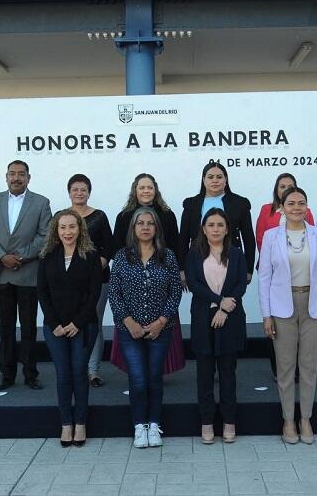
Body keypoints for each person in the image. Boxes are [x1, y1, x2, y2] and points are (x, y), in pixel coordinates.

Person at [258, 187, 317, 445]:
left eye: (301, 203)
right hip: (282, 307)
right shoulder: (271, 237)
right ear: (282, 206)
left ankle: (306, 419)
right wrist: (266, 314)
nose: (296, 208)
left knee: (310, 366)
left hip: (313, 305)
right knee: (286, 367)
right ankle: (288, 420)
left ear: (307, 206)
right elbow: (265, 278)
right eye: (291, 203)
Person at [109, 207, 182, 449]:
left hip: (160, 329)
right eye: (140, 223)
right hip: (129, 330)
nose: (145, 227)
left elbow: (175, 293)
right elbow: (114, 293)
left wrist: (161, 321)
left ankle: (154, 424)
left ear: (156, 228)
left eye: (150, 223)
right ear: (133, 228)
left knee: (154, 378)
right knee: (138, 380)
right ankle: (139, 426)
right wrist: (129, 322)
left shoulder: (167, 255)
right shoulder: (121, 256)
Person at [0, 160, 52, 391]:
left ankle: (31, 374)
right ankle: (7, 374)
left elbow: (45, 235)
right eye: (12, 174)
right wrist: (2, 257)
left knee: (29, 327)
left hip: (28, 273)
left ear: (29, 178)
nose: (16, 178)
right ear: (6, 176)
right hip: (0, 272)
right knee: (5, 327)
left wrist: (20, 257)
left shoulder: (41, 202)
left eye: (21, 174)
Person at [37, 209, 102, 447]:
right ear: (56, 230)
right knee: (63, 375)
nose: (67, 232)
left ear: (80, 229)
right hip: (55, 328)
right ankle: (66, 424)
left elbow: (94, 293)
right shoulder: (47, 255)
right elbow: (42, 292)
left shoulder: (91, 255)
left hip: (83, 327)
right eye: (63, 227)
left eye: (72, 227)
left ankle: (81, 423)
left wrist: (77, 323)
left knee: (78, 373)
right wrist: (55, 324)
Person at [111, 173, 185, 375]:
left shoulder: (167, 214)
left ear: (156, 190)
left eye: (149, 187)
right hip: (132, 282)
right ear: (135, 190)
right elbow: (116, 248)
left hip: (160, 280)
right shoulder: (124, 216)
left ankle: (159, 372)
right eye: (141, 187)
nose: (145, 191)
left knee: (161, 332)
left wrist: (179, 271)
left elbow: (176, 245)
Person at [184, 208, 247, 445]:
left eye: (220, 225)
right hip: (203, 319)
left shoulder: (236, 254)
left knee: (228, 375)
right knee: (204, 376)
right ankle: (207, 423)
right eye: (211, 225)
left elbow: (240, 284)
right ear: (203, 228)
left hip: (230, 319)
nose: (216, 229)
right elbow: (194, 284)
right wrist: (219, 301)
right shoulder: (194, 254)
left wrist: (224, 308)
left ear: (227, 228)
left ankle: (229, 423)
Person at [254, 172, 315, 381]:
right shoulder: (266, 210)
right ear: (277, 190)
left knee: (301, 331)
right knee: (278, 329)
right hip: (274, 272)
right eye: (282, 186)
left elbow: (313, 238)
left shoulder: (306, 212)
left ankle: (300, 370)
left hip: (302, 276)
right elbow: (260, 238)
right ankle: (278, 370)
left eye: (290, 186)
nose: (286, 189)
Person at [66, 173, 113, 388]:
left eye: (83, 189)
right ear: (69, 192)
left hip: (98, 281)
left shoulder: (100, 216)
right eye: (75, 189)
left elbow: (108, 248)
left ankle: (93, 371)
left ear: (89, 192)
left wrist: (93, 271)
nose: (79, 193)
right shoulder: (62, 217)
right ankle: (74, 369)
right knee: (71, 323)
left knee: (94, 325)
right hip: (68, 284)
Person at [179, 161, 256, 285]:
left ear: (226, 180)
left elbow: (248, 238)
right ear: (203, 180)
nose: (215, 180)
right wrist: (182, 269)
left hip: (231, 263)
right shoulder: (191, 204)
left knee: (231, 302)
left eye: (219, 177)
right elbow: (183, 239)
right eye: (210, 177)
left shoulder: (240, 203)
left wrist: (248, 269)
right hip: (198, 263)